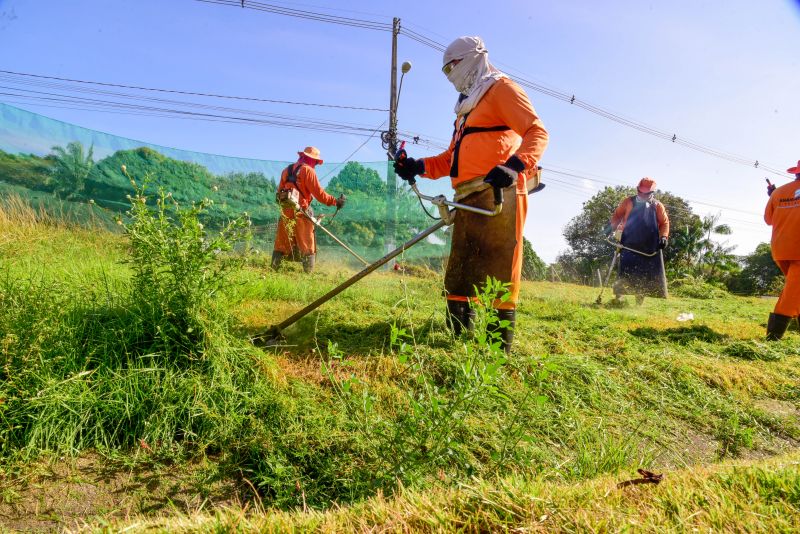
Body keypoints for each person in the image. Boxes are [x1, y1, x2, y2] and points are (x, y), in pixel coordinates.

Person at [392, 36, 549, 353]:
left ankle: (497, 351)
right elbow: (451, 159)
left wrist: (514, 165)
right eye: (446, 71)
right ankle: (457, 343)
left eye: (453, 66)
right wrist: (417, 166)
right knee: (461, 270)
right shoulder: (464, 111)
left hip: (499, 192)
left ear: (473, 60)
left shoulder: (502, 89)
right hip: (465, 196)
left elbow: (537, 131)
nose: (450, 75)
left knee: (500, 270)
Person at [271, 146, 345, 273]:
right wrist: (335, 201)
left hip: (286, 210)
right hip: (302, 211)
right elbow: (319, 194)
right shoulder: (308, 170)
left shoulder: (286, 171)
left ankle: (274, 270)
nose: (315, 164)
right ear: (311, 159)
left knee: (282, 242)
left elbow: (279, 193)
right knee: (307, 244)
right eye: (315, 162)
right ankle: (307, 275)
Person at [609, 177, 670, 305]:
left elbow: (664, 223)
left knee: (643, 275)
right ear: (637, 189)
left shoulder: (658, 206)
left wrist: (664, 237)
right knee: (625, 271)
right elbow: (617, 216)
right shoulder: (628, 202)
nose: (642, 195)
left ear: (652, 193)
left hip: (648, 246)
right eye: (640, 191)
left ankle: (638, 304)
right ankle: (618, 300)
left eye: (645, 193)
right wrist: (611, 229)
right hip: (628, 243)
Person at [763, 160, 800, 340]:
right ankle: (774, 337)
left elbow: (769, 219)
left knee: (796, 289)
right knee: (793, 292)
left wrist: (773, 196)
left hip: (780, 250)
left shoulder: (778, 192)